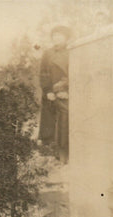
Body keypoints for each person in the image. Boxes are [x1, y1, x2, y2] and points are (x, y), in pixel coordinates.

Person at [39, 25, 71, 163]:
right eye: (54, 36)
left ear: (66, 38)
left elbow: (77, 73)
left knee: (65, 124)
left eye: (60, 36)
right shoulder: (48, 53)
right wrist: (48, 91)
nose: (57, 39)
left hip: (67, 94)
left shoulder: (72, 51)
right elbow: (43, 73)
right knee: (49, 124)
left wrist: (67, 89)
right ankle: (51, 155)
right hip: (51, 93)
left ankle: (64, 156)